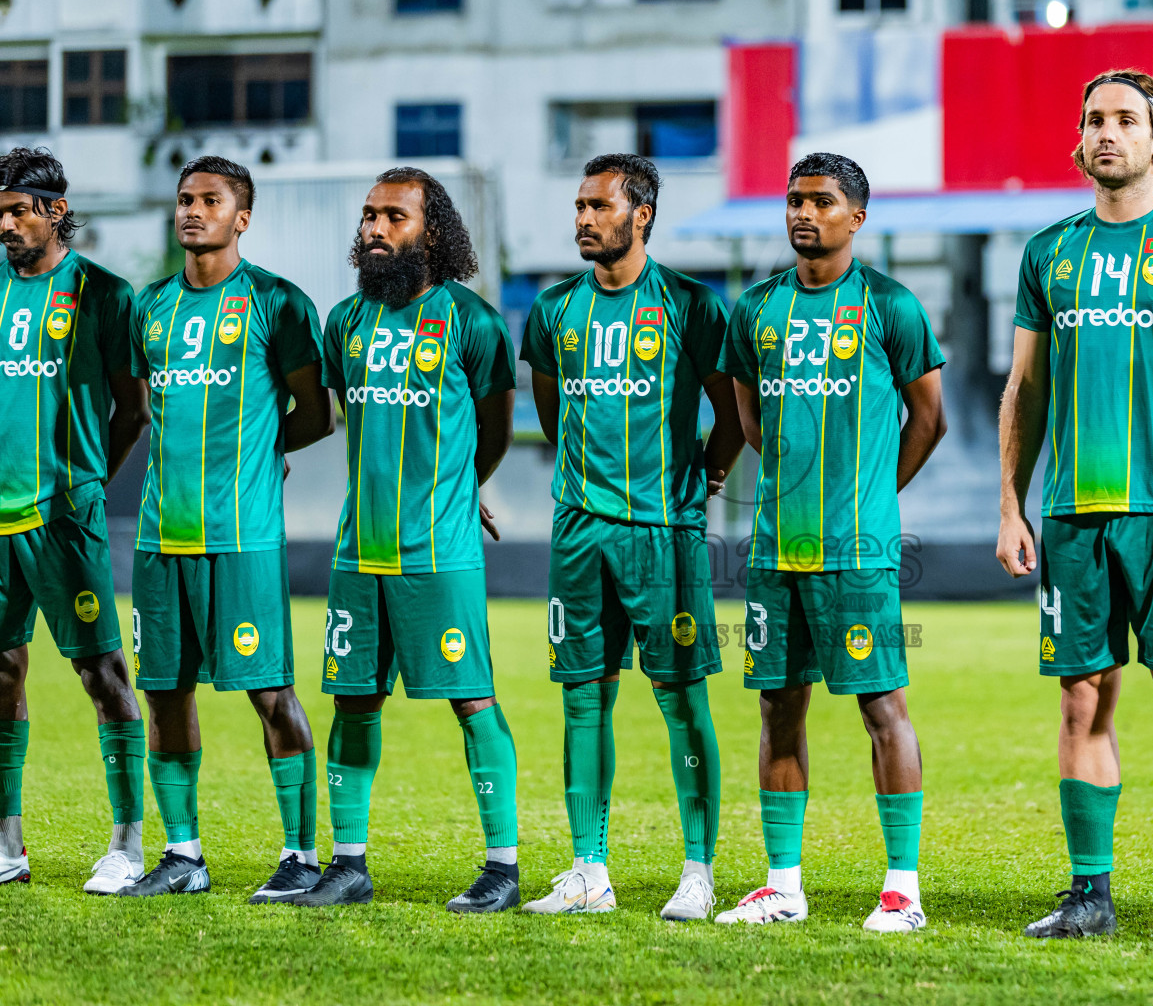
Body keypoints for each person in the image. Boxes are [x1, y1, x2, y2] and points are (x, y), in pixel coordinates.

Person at [997, 69, 1153, 942]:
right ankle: (1089, 895)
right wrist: (1011, 505)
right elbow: (1025, 388)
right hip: (1073, 514)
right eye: (1092, 120)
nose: (1105, 133)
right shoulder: (1048, 253)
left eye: (1124, 120)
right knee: (1082, 701)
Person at [713, 152, 946, 933]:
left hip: (857, 553)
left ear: (857, 217)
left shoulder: (890, 306)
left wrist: (873, 496)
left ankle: (903, 890)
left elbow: (930, 419)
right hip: (775, 548)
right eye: (794, 200)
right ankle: (782, 885)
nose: (803, 214)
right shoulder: (756, 309)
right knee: (779, 708)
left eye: (821, 201)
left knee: (883, 707)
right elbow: (750, 422)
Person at [519, 153, 744, 920]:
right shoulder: (553, 309)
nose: (584, 219)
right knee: (583, 698)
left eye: (600, 206)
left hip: (664, 532)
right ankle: (589, 872)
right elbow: (553, 413)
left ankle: (698, 871)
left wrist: (706, 480)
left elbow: (730, 415)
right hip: (579, 529)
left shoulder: (691, 304)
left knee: (680, 698)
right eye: (580, 207)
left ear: (641, 214)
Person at [289, 167, 521, 912]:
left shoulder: (473, 323)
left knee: (472, 700)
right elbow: (338, 420)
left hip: (438, 552)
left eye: (394, 217)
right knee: (352, 701)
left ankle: (503, 867)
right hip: (358, 550)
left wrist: (460, 489)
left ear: (432, 231)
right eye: (369, 216)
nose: (376, 229)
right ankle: (348, 865)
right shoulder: (344, 322)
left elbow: (493, 432)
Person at [116, 157, 333, 901]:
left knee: (270, 693)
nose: (192, 210)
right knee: (164, 694)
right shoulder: (149, 306)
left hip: (242, 538)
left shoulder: (278, 302)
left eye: (210, 200)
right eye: (185, 199)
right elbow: (139, 408)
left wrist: (263, 451)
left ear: (242, 218)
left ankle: (301, 856)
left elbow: (316, 414)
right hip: (159, 539)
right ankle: (183, 855)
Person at [0, 147, 149, 893]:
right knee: (1, 671)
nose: (5, 225)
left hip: (64, 518)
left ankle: (128, 843)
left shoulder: (104, 294)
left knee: (102, 672)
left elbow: (134, 410)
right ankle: (7, 845)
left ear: (55, 211)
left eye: (16, 211)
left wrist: (87, 483)